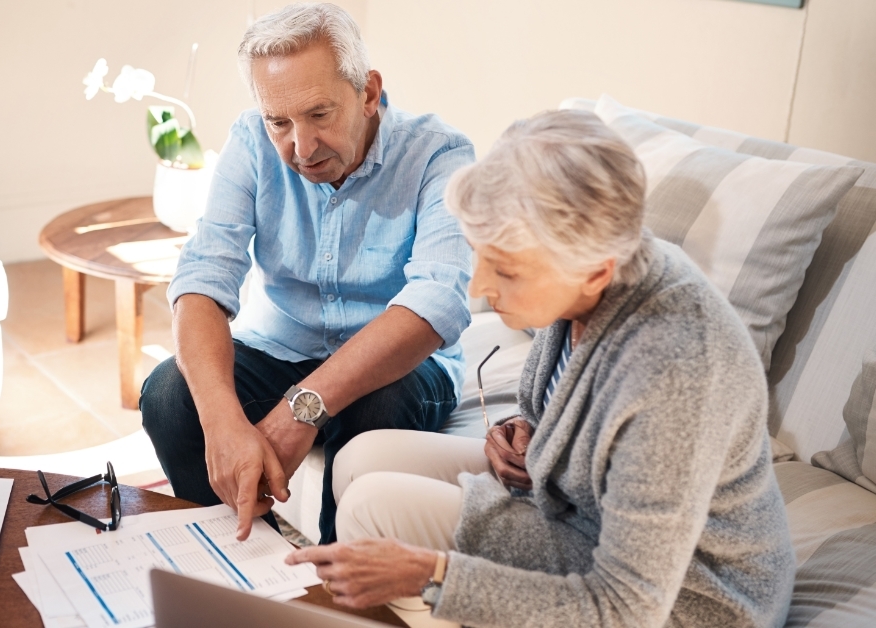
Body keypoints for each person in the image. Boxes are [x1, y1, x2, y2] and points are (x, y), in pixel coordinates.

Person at [286, 110, 797, 627]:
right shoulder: (589, 278)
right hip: (576, 507)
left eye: (505, 270)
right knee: (359, 458)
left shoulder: (676, 370)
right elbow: (571, 409)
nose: (479, 286)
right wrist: (525, 430)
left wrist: (433, 574)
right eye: (481, 257)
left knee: (375, 506)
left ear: (595, 270)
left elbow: (627, 608)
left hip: (687, 598)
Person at [140, 3, 474, 544]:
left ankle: (333, 585)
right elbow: (202, 277)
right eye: (280, 122)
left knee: (378, 405)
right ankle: (238, 561)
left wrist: (299, 412)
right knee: (168, 393)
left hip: (400, 369)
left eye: (320, 114)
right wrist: (225, 424)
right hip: (276, 347)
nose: (301, 146)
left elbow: (435, 304)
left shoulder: (440, 155)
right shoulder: (250, 142)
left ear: (367, 93)